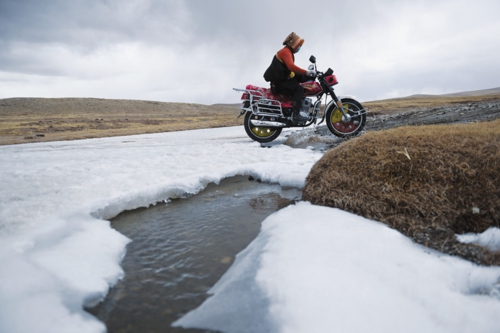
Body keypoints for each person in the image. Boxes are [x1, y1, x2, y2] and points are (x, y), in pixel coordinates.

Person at [264, 32, 316, 123]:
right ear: (294, 44)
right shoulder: (285, 52)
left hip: (282, 80)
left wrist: (309, 75)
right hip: (278, 83)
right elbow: (291, 67)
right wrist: (306, 72)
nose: (299, 47)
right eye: (299, 45)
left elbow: (291, 72)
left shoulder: (288, 52)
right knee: (299, 89)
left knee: (301, 79)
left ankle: (302, 108)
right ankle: (296, 115)